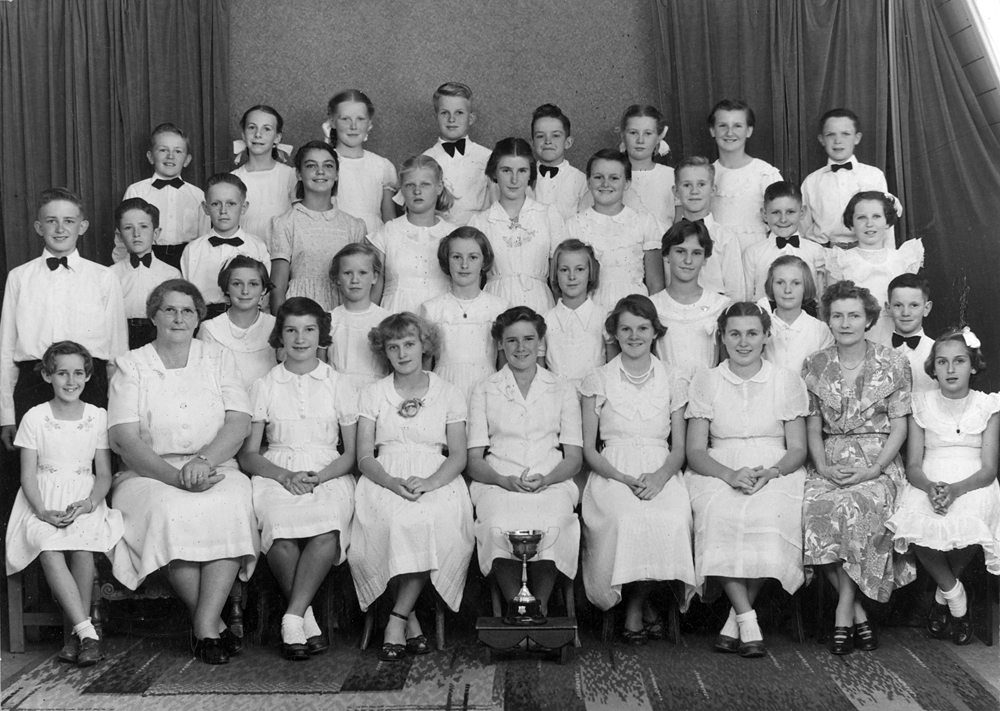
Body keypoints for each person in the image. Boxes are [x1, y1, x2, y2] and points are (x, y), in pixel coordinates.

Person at [107, 279, 259, 665]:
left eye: (187, 310)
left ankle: (204, 624)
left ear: (198, 317)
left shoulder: (218, 358)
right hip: (147, 473)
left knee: (231, 503)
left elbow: (239, 422)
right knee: (171, 509)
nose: (178, 317)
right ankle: (211, 625)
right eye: (169, 309)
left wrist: (204, 461)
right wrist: (175, 478)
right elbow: (124, 439)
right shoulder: (131, 364)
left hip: (215, 463)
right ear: (153, 316)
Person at [685, 303, 809, 658]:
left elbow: (797, 448)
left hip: (775, 468)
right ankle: (747, 617)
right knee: (719, 514)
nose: (743, 342)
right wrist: (728, 475)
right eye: (735, 334)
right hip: (718, 468)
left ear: (766, 336)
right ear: (722, 338)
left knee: (767, 514)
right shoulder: (706, 380)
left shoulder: (786, 380)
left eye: (752, 333)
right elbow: (695, 451)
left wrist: (771, 473)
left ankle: (735, 619)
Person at [349, 313, 474, 662]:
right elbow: (364, 456)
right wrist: (390, 482)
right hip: (384, 475)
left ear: (424, 345)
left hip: (437, 475)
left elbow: (459, 455)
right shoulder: (373, 393)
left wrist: (431, 482)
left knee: (427, 520)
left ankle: (397, 618)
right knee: (391, 522)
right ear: (384, 351)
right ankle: (411, 618)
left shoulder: (448, 392)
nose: (402, 353)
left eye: (409, 344)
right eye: (393, 347)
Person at [238, 297, 357, 660]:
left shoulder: (339, 383)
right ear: (280, 335)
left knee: (327, 527)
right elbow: (249, 455)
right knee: (279, 529)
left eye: (309, 330)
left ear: (322, 335)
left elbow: (351, 454)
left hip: (328, 471)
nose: (300, 338)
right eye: (291, 330)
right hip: (276, 471)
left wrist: (319, 477)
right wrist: (285, 476)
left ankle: (291, 618)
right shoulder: (265, 384)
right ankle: (305, 619)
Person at [801, 280, 915, 656]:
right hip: (830, 460)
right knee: (814, 509)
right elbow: (812, 427)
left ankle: (842, 613)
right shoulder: (814, 364)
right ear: (828, 320)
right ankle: (858, 613)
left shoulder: (894, 362)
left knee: (856, 507)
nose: (845, 323)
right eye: (837, 316)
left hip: (878, 461)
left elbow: (900, 428)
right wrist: (822, 466)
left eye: (854, 315)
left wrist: (874, 469)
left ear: (868, 319)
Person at [580, 295, 697, 644]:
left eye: (643, 328)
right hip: (612, 471)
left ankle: (636, 604)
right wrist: (621, 478)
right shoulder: (598, 378)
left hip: (660, 468)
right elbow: (589, 449)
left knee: (671, 517)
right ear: (614, 333)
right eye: (626, 329)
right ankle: (638, 608)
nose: (634, 336)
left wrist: (659, 478)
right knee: (627, 519)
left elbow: (679, 448)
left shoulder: (673, 378)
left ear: (655, 332)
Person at [4, 342, 123, 667]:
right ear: (47, 375)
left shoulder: (97, 416)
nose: (71, 381)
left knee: (82, 546)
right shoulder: (35, 417)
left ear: (88, 376)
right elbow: (28, 475)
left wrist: (89, 503)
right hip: (41, 501)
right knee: (48, 545)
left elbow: (103, 475)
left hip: (83, 499)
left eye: (78, 373)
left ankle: (76, 637)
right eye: (62, 374)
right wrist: (42, 511)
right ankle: (88, 634)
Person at [887, 327, 1000, 646]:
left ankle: (942, 597)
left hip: (972, 480)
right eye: (942, 362)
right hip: (930, 479)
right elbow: (913, 466)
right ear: (933, 368)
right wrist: (931, 487)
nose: (951, 369)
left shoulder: (988, 405)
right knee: (916, 522)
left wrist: (955, 490)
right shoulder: (920, 404)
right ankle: (956, 596)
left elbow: (989, 470)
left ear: (973, 366)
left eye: (959, 361)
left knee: (971, 518)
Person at [467, 307, 583, 615]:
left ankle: (537, 607)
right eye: (512, 340)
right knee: (497, 525)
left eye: (529, 339)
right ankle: (515, 607)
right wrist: (502, 480)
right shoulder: (484, 389)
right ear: (500, 344)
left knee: (554, 523)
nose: (521, 348)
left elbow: (574, 458)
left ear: (540, 341)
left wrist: (547, 479)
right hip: (498, 482)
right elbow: (474, 461)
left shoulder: (562, 388)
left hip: (551, 481)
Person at [1, 188, 127, 451]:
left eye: (68, 221)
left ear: (82, 226)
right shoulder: (19, 277)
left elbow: (117, 351)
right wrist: (6, 415)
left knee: (89, 463)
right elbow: (6, 351)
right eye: (51, 221)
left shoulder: (103, 277)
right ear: (39, 227)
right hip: (33, 384)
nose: (60, 229)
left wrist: (119, 415)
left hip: (88, 384)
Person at [469, 137, 567, 313]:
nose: (514, 179)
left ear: (530, 174)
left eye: (522, 171)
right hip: (495, 304)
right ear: (494, 173)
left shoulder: (547, 214)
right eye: (506, 170)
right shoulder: (479, 222)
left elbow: (561, 272)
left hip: (540, 303)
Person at [268, 141, 367, 313]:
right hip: (300, 313)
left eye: (328, 166)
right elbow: (277, 287)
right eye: (311, 166)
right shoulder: (285, 223)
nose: (320, 171)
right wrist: (283, 323)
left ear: (336, 174)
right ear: (299, 174)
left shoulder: (354, 226)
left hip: (342, 311)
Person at [566, 149, 665, 310]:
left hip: (634, 310)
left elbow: (656, 284)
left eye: (614, 178)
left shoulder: (643, 221)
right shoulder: (574, 225)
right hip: (590, 308)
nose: (605, 184)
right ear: (589, 182)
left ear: (627, 183)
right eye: (598, 177)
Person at [419, 227, 509, 400]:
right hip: (443, 389)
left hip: (488, 388)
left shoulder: (499, 307)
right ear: (446, 260)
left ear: (484, 261)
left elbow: (504, 365)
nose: (464, 265)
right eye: (456, 257)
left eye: (473, 257)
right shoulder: (432, 309)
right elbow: (425, 365)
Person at [826, 191, 923, 346]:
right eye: (861, 217)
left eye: (876, 216)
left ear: (887, 222)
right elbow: (833, 309)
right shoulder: (841, 260)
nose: (869, 223)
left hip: (895, 338)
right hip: (855, 341)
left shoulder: (903, 259)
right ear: (851, 223)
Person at [114, 123, 210, 267]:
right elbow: (123, 235)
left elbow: (204, 238)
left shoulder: (197, 195)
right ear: (151, 157)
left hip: (186, 260)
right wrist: (123, 268)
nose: (170, 156)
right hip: (147, 257)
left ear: (187, 160)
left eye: (178, 151)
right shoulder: (136, 191)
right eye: (163, 150)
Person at [369, 155, 455, 313]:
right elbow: (375, 291)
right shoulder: (387, 233)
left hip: (441, 316)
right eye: (410, 185)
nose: (417, 191)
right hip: (396, 316)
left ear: (439, 187)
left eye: (425, 184)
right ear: (402, 189)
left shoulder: (453, 234)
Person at [180, 173, 271, 320]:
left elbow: (264, 296)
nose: (223, 211)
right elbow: (187, 297)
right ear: (206, 208)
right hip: (204, 319)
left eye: (231, 204)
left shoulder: (258, 247)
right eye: (216, 204)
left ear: (243, 207)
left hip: (247, 319)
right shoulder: (192, 250)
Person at [402, 82, 491, 226]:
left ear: (471, 118)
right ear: (435, 117)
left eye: (459, 113)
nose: (451, 119)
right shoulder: (425, 160)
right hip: (438, 233)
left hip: (479, 232)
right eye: (444, 113)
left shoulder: (488, 157)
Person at [800, 109, 891, 248]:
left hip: (864, 251)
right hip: (823, 253)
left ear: (857, 138)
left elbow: (886, 224)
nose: (838, 141)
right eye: (830, 135)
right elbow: (802, 228)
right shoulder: (811, 181)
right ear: (821, 139)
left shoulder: (874, 175)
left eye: (845, 134)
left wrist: (889, 255)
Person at [650, 220, 731, 371]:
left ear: (705, 259)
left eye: (696, 253)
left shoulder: (719, 305)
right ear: (666, 255)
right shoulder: (653, 306)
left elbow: (726, 364)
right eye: (680, 251)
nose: (688, 260)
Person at [579, 105, 675, 227]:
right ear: (623, 135)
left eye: (648, 133)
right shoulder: (606, 179)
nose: (640, 140)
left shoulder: (671, 176)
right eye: (633, 133)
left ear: (658, 137)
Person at [708, 100, 782, 253]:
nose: (729, 133)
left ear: (748, 131)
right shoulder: (706, 175)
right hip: (717, 253)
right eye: (722, 126)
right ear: (712, 130)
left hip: (756, 254)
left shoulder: (765, 173)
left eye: (737, 126)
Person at [109, 198, 181, 350]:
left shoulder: (171, 274)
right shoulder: (110, 274)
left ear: (156, 233)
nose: (136, 234)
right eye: (128, 228)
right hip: (121, 337)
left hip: (157, 336)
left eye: (143, 226)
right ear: (119, 236)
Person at [197, 256, 277, 390]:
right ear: (226, 288)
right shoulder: (210, 328)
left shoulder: (275, 325)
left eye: (253, 284)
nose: (245, 291)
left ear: (264, 289)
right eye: (236, 284)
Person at [324, 89, 398, 234]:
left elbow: (389, 219)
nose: (353, 126)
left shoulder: (382, 166)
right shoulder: (325, 163)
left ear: (369, 123)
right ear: (332, 122)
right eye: (345, 119)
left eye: (360, 119)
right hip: (335, 235)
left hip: (373, 238)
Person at [671, 156, 744, 301]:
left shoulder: (725, 238)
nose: (694, 191)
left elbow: (735, 292)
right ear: (676, 191)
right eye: (687, 185)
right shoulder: (670, 237)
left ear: (713, 190)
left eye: (701, 184)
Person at [742, 181, 826, 302]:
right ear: (764, 214)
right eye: (775, 212)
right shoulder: (753, 253)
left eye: (790, 212)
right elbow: (747, 297)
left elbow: (820, 297)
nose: (783, 219)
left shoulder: (816, 251)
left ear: (802, 212)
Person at [542, 239, 608, 389]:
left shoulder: (603, 318)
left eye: (579, 269)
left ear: (590, 272)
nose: (572, 277)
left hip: (595, 397)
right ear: (555, 273)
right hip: (557, 397)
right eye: (564, 270)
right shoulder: (546, 320)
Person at [327, 243, 390, 391]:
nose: (355, 280)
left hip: (376, 393)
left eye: (362, 273)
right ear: (337, 278)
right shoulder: (330, 319)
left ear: (375, 277)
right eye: (347, 273)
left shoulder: (386, 320)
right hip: (336, 392)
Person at [231, 105, 297, 242]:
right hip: (245, 251)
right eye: (252, 127)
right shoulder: (233, 179)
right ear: (243, 135)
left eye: (266, 129)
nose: (258, 134)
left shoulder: (290, 176)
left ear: (277, 137)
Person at [758, 255, 833, 375]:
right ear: (770, 286)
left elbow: (824, 377)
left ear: (806, 286)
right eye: (780, 282)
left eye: (796, 283)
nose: (787, 290)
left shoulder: (820, 330)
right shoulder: (760, 327)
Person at [529, 104, 587, 221]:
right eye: (540, 136)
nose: (548, 141)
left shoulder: (581, 180)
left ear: (568, 142)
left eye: (555, 135)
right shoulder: (523, 176)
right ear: (533, 143)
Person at [887, 273, 937, 393]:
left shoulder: (938, 352)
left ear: (926, 308)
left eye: (914, 305)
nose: (905, 313)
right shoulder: (874, 352)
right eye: (898, 305)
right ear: (888, 308)